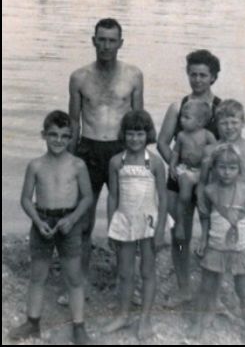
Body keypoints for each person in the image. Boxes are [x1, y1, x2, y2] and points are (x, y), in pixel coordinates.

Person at [67, 18, 144, 302]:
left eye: (112, 40)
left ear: (120, 43)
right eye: (102, 39)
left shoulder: (134, 75)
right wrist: (70, 162)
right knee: (83, 222)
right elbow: (73, 124)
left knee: (128, 218)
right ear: (94, 41)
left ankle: (126, 283)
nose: (107, 45)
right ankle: (79, 283)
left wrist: (138, 160)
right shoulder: (79, 77)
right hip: (88, 150)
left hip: (121, 150)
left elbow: (139, 122)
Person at [8, 111, 93, 345]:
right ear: (43, 135)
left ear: (71, 138)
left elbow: (87, 198)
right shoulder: (35, 165)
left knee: (74, 278)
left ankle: (79, 327)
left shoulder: (78, 165)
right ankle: (32, 322)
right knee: (38, 275)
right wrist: (37, 220)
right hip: (42, 222)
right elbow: (26, 199)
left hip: (69, 224)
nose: (58, 140)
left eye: (64, 136)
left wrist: (72, 219)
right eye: (53, 135)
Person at [197, 99, 245, 331]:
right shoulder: (211, 151)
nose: (229, 127)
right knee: (215, 262)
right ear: (217, 125)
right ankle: (210, 311)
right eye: (224, 122)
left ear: (243, 122)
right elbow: (203, 183)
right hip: (219, 213)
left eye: (234, 122)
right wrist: (201, 202)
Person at [157, 49, 221, 304]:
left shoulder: (220, 108)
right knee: (180, 236)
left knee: (214, 236)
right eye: (193, 74)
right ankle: (183, 287)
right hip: (179, 178)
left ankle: (210, 294)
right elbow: (162, 142)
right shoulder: (178, 106)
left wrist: (212, 172)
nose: (197, 80)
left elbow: (226, 147)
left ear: (213, 77)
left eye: (203, 75)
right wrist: (176, 165)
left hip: (209, 181)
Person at [104, 110, 167, 340]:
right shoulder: (116, 161)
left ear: (147, 134)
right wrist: (112, 226)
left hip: (149, 222)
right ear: (124, 135)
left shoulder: (156, 163)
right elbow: (112, 197)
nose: (134, 139)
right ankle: (123, 315)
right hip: (125, 220)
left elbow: (163, 197)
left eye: (139, 134)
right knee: (125, 272)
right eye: (130, 134)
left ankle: (145, 319)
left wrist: (160, 229)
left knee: (148, 271)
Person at [190, 144, 245, 345]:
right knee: (206, 288)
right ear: (214, 168)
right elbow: (205, 218)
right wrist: (203, 239)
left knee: (244, 291)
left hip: (239, 249)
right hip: (216, 247)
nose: (226, 172)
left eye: (232, 168)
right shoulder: (210, 190)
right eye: (221, 167)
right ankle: (198, 324)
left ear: (239, 169)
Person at [169, 99, 216, 240]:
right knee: (184, 196)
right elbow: (176, 152)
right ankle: (180, 224)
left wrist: (212, 164)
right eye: (182, 116)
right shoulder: (182, 136)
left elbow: (217, 150)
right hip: (186, 170)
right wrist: (172, 165)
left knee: (204, 199)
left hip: (203, 172)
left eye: (187, 117)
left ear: (200, 122)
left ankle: (204, 233)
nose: (182, 120)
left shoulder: (207, 135)